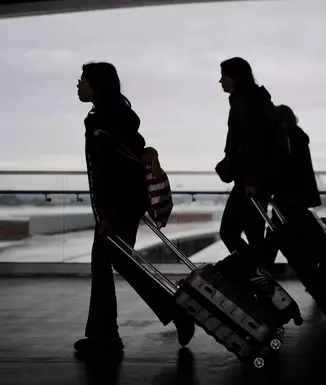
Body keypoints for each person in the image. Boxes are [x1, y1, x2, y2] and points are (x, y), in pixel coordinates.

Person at [74, 62, 194, 356]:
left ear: (97, 85)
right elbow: (135, 154)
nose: (78, 85)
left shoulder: (110, 120)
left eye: (83, 80)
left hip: (118, 208)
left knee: (104, 265)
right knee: (120, 263)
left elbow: (122, 170)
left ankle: (107, 338)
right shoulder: (109, 117)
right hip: (118, 206)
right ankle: (174, 311)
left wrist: (110, 216)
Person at [216, 57, 286, 255]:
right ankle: (258, 276)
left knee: (229, 231)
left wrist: (251, 181)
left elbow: (251, 143)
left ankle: (255, 274)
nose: (220, 81)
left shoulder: (245, 103)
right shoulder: (255, 100)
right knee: (254, 233)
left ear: (236, 77)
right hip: (259, 178)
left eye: (224, 76)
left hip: (251, 180)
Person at [261, 104, 322, 271]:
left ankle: (263, 270)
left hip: (288, 193)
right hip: (299, 194)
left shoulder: (286, 137)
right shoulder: (298, 136)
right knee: (289, 231)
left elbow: (283, 166)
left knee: (275, 232)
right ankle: (311, 267)